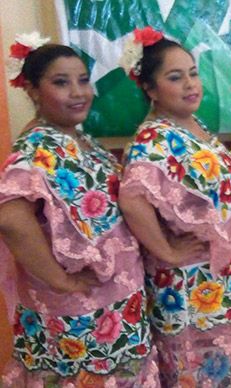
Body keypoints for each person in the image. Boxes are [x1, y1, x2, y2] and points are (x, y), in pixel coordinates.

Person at [0, 33, 158, 386]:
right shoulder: (38, 148)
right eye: (61, 83)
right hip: (80, 315)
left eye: (83, 80)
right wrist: (61, 279)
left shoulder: (79, 140)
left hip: (114, 304)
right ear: (33, 91)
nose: (78, 92)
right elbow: (9, 217)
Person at [117, 28, 231, 386]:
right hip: (188, 282)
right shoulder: (153, 139)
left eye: (193, 73)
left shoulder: (195, 125)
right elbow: (132, 200)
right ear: (150, 88)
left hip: (222, 275)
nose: (190, 84)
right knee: (200, 370)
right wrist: (165, 248)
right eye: (175, 77)